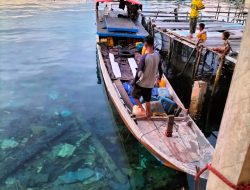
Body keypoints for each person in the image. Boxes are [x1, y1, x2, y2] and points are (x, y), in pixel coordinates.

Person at [133, 36, 163, 118]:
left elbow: (139, 72)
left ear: (145, 45)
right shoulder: (158, 55)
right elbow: (160, 70)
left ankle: (142, 110)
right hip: (150, 83)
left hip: (142, 83)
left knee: (135, 96)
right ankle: (148, 113)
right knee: (147, 99)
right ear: (153, 44)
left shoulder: (144, 57)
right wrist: (159, 78)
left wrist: (135, 82)